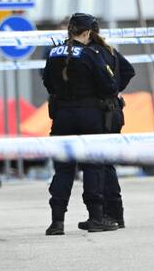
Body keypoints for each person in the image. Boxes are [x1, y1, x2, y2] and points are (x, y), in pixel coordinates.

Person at [42, 12, 119, 236]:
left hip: (62, 117)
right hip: (90, 116)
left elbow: (48, 84)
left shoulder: (53, 53)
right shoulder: (90, 54)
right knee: (93, 166)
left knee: (63, 169)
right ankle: (96, 217)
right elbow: (109, 85)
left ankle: (57, 222)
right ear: (86, 33)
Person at [86, 24, 135, 229]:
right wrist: (115, 91)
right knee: (106, 164)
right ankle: (115, 213)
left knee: (102, 165)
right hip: (113, 111)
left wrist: (110, 91)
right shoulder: (109, 50)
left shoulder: (90, 53)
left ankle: (111, 214)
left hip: (102, 113)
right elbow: (129, 71)